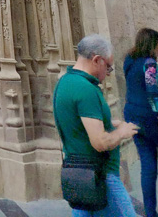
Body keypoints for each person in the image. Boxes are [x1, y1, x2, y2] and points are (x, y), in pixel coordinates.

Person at [53, 33, 140, 217]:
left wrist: (108, 124)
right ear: (97, 60)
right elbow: (100, 143)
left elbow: (76, 125)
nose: (107, 74)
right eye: (108, 67)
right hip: (100, 176)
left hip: (79, 175)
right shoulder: (86, 89)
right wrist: (122, 132)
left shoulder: (65, 82)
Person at [123, 27, 158, 217]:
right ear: (153, 44)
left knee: (147, 165)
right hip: (151, 118)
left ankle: (149, 212)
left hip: (132, 115)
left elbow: (138, 84)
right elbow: (153, 97)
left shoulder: (129, 60)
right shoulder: (150, 64)